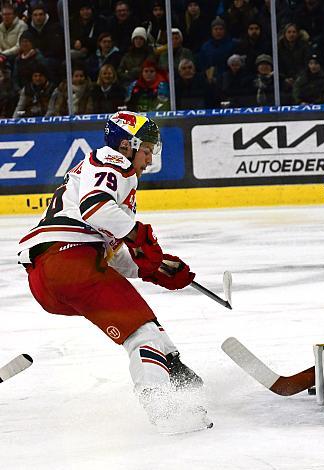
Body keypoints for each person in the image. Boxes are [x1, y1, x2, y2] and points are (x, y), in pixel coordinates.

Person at [17, 111, 212, 433]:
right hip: (69, 262)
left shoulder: (95, 172)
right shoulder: (113, 163)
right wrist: (140, 236)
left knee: (143, 324)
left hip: (51, 275)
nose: (149, 160)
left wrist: (151, 266)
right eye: (147, 150)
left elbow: (104, 244)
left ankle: (173, 368)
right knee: (142, 334)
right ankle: (162, 403)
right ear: (127, 145)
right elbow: (96, 208)